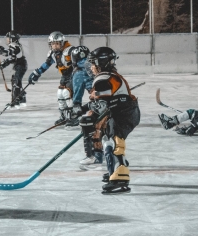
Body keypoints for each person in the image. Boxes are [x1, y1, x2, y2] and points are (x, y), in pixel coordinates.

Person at [79, 47, 140, 194]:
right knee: (107, 139)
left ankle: (121, 177)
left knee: (114, 141)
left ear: (102, 62)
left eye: (93, 63)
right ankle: (113, 169)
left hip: (124, 114)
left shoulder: (103, 79)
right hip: (121, 112)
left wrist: (90, 118)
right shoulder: (107, 76)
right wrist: (85, 110)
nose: (91, 67)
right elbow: (103, 100)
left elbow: (102, 104)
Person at [28, 31, 76, 127]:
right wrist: (37, 73)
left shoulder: (70, 51)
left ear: (62, 43)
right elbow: (47, 64)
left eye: (57, 44)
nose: (55, 46)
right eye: (53, 44)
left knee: (67, 93)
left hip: (74, 75)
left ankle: (72, 117)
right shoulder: (53, 54)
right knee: (60, 94)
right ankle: (63, 117)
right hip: (64, 76)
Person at [0, 31, 28, 109]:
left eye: (8, 38)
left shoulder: (16, 46)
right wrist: (3, 64)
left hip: (21, 66)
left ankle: (15, 101)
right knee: (15, 81)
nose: (7, 39)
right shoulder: (14, 45)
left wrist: (1, 51)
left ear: (12, 38)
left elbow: (10, 52)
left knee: (16, 81)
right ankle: (21, 97)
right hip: (20, 66)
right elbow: (12, 59)